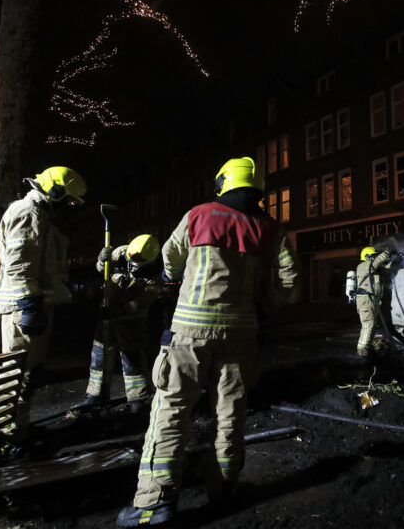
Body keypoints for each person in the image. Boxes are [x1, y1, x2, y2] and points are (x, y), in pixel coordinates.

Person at [117, 156, 300, 527]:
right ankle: (225, 489)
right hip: (242, 333)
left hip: (189, 332)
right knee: (231, 412)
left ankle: (155, 504)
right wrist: (265, 309)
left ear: (223, 182)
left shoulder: (200, 215)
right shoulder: (270, 228)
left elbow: (169, 259)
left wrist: (175, 277)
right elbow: (291, 275)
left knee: (170, 411)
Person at [0, 166, 86, 441]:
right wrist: (29, 304)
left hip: (33, 304)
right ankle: (9, 435)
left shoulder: (39, 215)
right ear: (54, 191)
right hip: (25, 307)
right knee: (18, 373)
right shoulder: (27, 212)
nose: (69, 208)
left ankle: (18, 427)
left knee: (29, 372)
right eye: (67, 200)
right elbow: (20, 264)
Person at [73, 234, 162, 414]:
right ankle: (95, 394)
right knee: (99, 356)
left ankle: (139, 396)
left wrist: (120, 311)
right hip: (106, 311)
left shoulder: (154, 275)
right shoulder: (121, 253)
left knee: (132, 358)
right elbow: (101, 269)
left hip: (130, 320)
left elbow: (141, 303)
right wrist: (102, 259)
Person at [354, 246, 401, 357]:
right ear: (368, 257)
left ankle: (367, 348)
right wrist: (387, 252)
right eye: (373, 256)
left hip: (372, 300)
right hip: (365, 301)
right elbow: (377, 262)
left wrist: (397, 259)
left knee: (372, 325)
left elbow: (386, 269)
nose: (375, 257)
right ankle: (361, 351)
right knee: (368, 325)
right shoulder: (363, 266)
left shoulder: (373, 270)